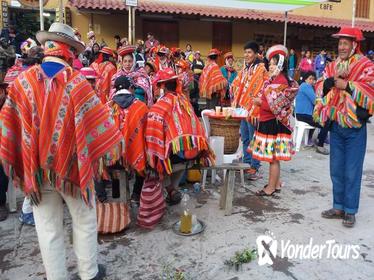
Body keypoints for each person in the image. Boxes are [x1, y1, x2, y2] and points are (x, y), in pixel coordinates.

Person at [0, 23, 123, 279]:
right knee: (84, 220)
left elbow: (8, 123)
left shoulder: (23, 83)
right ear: (69, 52)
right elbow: (103, 126)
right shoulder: (78, 84)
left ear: (47, 49)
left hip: (36, 168)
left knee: (47, 228)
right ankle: (89, 273)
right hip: (74, 169)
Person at [314, 26, 374, 227]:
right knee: (336, 168)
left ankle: (350, 211)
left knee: (352, 170)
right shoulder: (332, 66)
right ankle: (338, 206)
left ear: (354, 45)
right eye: (339, 43)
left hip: (355, 126)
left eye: (345, 43)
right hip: (336, 124)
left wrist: (347, 86)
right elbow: (321, 85)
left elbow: (370, 91)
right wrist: (331, 82)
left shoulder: (366, 65)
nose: (341, 46)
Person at [146, 68, 214, 205]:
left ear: (162, 87)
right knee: (173, 154)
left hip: (177, 155)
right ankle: (172, 189)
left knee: (155, 160)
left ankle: (169, 189)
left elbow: (152, 136)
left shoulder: (160, 106)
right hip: (194, 152)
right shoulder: (184, 101)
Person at [3, 44, 44, 226]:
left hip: (16, 125)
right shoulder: (34, 77)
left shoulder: (15, 75)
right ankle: (27, 211)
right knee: (32, 168)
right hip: (28, 128)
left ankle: (28, 208)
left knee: (28, 167)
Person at [250, 44, 298, 196]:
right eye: (269, 63)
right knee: (274, 157)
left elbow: (274, 106)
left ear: (280, 63)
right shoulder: (277, 80)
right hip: (272, 122)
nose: (269, 66)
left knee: (272, 158)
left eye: (272, 63)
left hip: (272, 122)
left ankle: (270, 188)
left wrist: (259, 102)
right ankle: (275, 184)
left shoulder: (280, 81)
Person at [231, 41, 268, 180]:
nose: (246, 55)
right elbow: (237, 83)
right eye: (245, 52)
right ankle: (247, 163)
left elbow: (263, 87)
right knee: (245, 138)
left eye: (249, 52)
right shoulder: (245, 69)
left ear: (256, 54)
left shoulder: (261, 69)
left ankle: (255, 166)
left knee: (254, 138)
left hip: (254, 110)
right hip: (243, 109)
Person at [111, 75, 148, 204]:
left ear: (115, 89)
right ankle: (136, 194)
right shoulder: (141, 106)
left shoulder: (107, 107)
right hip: (135, 157)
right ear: (130, 88)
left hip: (113, 159)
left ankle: (116, 194)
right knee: (144, 154)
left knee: (111, 154)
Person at [295, 71, 330, 155]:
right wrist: (326, 101)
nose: (312, 81)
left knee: (317, 117)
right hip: (303, 115)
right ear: (305, 79)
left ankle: (310, 139)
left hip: (301, 114)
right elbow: (315, 101)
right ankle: (320, 144)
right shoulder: (306, 86)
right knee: (326, 122)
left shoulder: (304, 86)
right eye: (310, 79)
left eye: (313, 79)